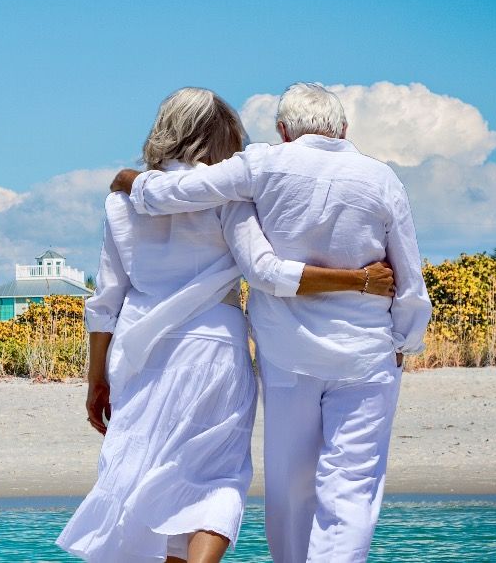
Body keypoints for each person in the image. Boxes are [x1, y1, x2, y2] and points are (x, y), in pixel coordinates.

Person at [57, 87, 395, 563]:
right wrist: (359, 281)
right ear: (225, 135)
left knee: (143, 473)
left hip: (139, 352)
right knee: (216, 477)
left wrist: (95, 378)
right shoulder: (232, 200)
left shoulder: (122, 202)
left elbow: (106, 300)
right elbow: (264, 269)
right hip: (214, 347)